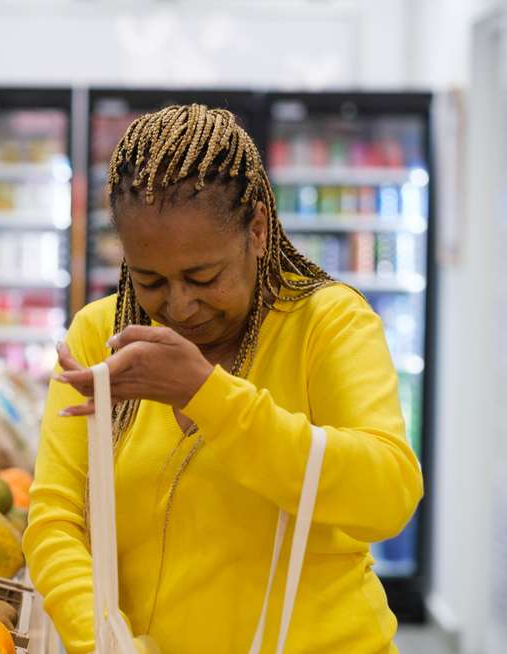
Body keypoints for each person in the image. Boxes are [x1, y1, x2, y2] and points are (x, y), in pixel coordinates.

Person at [23, 105, 423, 653]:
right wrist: (105, 640)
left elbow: (387, 495)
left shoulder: (326, 322)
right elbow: (54, 521)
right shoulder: (101, 335)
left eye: (203, 277)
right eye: (150, 280)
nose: (181, 306)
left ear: (257, 229)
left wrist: (208, 396)